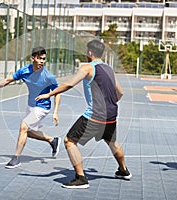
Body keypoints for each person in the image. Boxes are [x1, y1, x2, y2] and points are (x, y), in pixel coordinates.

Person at [36, 39, 131, 189]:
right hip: (111, 114)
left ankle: (81, 178)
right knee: (112, 142)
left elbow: (69, 84)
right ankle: (124, 170)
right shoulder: (109, 69)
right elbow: (120, 92)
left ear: (90, 52)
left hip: (95, 114)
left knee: (69, 141)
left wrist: (50, 94)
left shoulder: (87, 67)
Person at [0, 46, 61, 169]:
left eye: (44, 59)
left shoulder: (48, 76)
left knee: (23, 127)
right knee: (28, 132)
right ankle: (52, 140)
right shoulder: (24, 71)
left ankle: (16, 158)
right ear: (33, 58)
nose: (42, 61)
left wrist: (55, 112)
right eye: (39, 58)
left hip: (42, 107)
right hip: (31, 106)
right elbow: (7, 80)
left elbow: (57, 92)